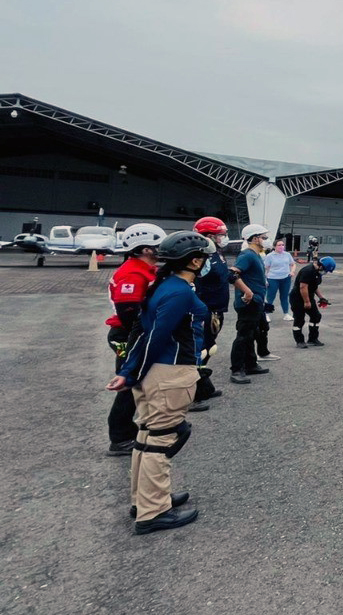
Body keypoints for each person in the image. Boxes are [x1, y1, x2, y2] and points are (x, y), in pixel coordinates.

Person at [106, 230, 215, 534]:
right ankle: (153, 512)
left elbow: (140, 330)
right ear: (194, 261)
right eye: (204, 257)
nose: (208, 262)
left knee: (147, 437)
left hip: (156, 371)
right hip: (169, 373)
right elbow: (156, 335)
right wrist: (132, 373)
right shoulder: (179, 291)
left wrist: (130, 372)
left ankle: (144, 500)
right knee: (163, 440)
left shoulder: (163, 285)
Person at [104, 223, 166, 455]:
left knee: (139, 382)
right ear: (147, 249)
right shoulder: (132, 272)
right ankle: (120, 438)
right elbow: (127, 311)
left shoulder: (146, 269)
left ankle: (134, 427)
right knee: (129, 383)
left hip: (135, 332)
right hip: (127, 333)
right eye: (159, 245)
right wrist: (141, 339)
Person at [191, 216, 233, 410]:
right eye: (221, 235)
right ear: (208, 236)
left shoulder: (217, 253)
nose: (224, 238)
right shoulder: (200, 258)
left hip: (217, 308)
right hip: (205, 309)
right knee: (199, 350)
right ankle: (191, 393)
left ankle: (203, 386)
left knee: (209, 348)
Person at [229, 224, 272, 384]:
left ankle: (250, 364)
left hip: (257, 302)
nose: (266, 241)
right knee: (243, 335)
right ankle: (237, 369)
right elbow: (232, 273)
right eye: (264, 237)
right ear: (255, 238)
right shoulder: (247, 255)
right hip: (248, 302)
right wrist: (247, 292)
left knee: (253, 333)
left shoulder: (256, 255)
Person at [290, 256, 336, 347]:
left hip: (308, 296)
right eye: (326, 270)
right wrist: (307, 302)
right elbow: (303, 287)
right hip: (298, 297)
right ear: (321, 266)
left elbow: (314, 286)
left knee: (316, 316)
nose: (325, 272)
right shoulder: (308, 271)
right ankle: (299, 341)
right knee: (299, 319)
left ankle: (313, 339)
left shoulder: (317, 273)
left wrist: (321, 297)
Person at [263, 240, 295, 317]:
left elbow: (293, 264)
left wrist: (292, 271)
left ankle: (286, 313)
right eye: (279, 245)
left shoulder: (287, 255)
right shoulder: (270, 256)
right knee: (270, 297)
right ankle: (266, 314)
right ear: (274, 247)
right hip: (273, 278)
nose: (281, 247)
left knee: (284, 296)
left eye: (282, 245)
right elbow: (265, 268)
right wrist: (265, 280)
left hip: (285, 278)